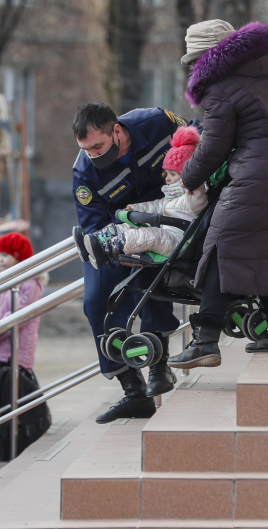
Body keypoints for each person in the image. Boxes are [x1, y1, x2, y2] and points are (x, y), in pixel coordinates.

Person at [167, 20, 268, 367]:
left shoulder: (220, 88)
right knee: (265, 247)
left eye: (195, 59)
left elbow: (212, 150)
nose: (194, 66)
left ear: (209, 55)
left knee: (222, 246)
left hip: (258, 177)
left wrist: (188, 177)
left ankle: (205, 340)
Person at [71, 103, 189, 424]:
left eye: (97, 146)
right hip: (118, 232)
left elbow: (194, 136)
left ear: (117, 131)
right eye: (85, 149)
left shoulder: (156, 123)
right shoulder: (84, 171)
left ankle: (158, 367)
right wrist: (123, 251)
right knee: (96, 301)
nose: (93, 155)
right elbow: (95, 228)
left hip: (167, 214)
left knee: (151, 285)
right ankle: (131, 387)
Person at [74, 125, 208, 267]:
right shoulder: (172, 196)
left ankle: (106, 248)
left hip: (179, 240)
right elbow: (156, 205)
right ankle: (95, 240)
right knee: (129, 227)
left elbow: (197, 198)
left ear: (186, 175)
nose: (167, 179)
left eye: (173, 174)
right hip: (166, 231)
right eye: (166, 173)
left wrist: (193, 181)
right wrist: (135, 209)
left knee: (146, 235)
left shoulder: (195, 195)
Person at [0, 232, 44, 370]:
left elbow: (18, 315)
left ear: (18, 256)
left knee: (17, 386)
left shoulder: (29, 284)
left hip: (17, 348)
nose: (0, 260)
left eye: (5, 255)